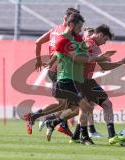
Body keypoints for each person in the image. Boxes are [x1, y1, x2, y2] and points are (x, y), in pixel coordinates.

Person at [69, 24, 125, 145]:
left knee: (95, 105)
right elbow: (80, 57)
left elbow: (104, 66)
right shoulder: (89, 43)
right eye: (105, 39)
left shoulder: (94, 46)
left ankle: (78, 135)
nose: (105, 42)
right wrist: (99, 57)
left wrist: (120, 62)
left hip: (86, 81)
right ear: (100, 34)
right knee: (93, 106)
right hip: (80, 81)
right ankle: (108, 135)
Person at [24, 8, 80, 137]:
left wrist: (38, 60)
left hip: (54, 70)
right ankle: (49, 121)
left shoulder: (54, 30)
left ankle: (51, 121)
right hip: (60, 71)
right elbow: (61, 51)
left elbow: (38, 42)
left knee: (64, 104)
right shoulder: (68, 34)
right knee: (70, 105)